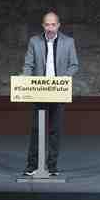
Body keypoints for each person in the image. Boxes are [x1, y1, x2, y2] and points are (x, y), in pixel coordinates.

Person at [21, 9, 79, 175]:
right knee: (36, 129)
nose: (50, 27)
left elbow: (74, 65)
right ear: (43, 25)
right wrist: (24, 78)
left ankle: (52, 166)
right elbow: (28, 64)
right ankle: (32, 166)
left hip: (59, 91)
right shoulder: (34, 41)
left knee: (55, 130)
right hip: (40, 90)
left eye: (53, 24)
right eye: (47, 24)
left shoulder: (69, 42)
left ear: (58, 25)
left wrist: (64, 79)